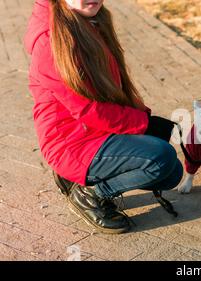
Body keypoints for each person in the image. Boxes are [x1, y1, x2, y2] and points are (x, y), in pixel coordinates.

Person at [24, 0, 183, 234]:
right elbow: (86, 108)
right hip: (71, 142)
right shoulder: (51, 39)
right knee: (160, 159)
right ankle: (90, 195)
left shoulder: (88, 20)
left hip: (96, 130)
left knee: (172, 174)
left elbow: (113, 90)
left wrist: (145, 119)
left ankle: (82, 178)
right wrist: (145, 124)